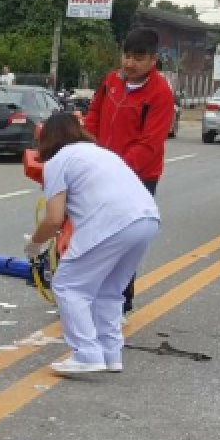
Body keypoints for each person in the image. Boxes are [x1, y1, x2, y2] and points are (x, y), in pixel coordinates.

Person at [25, 111, 160, 377]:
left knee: (68, 286)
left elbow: (53, 218)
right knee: (109, 291)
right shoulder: (102, 153)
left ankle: (86, 354)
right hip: (146, 218)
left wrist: (34, 244)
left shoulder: (58, 162)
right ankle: (111, 354)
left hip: (111, 224)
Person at [82, 27, 175, 314]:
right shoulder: (111, 81)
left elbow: (150, 144)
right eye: (126, 55)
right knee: (91, 234)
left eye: (138, 57)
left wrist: (116, 170)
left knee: (123, 240)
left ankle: (121, 300)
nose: (130, 63)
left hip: (138, 177)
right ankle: (86, 296)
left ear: (153, 60)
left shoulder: (160, 94)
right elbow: (94, 116)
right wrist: (85, 151)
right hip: (100, 171)